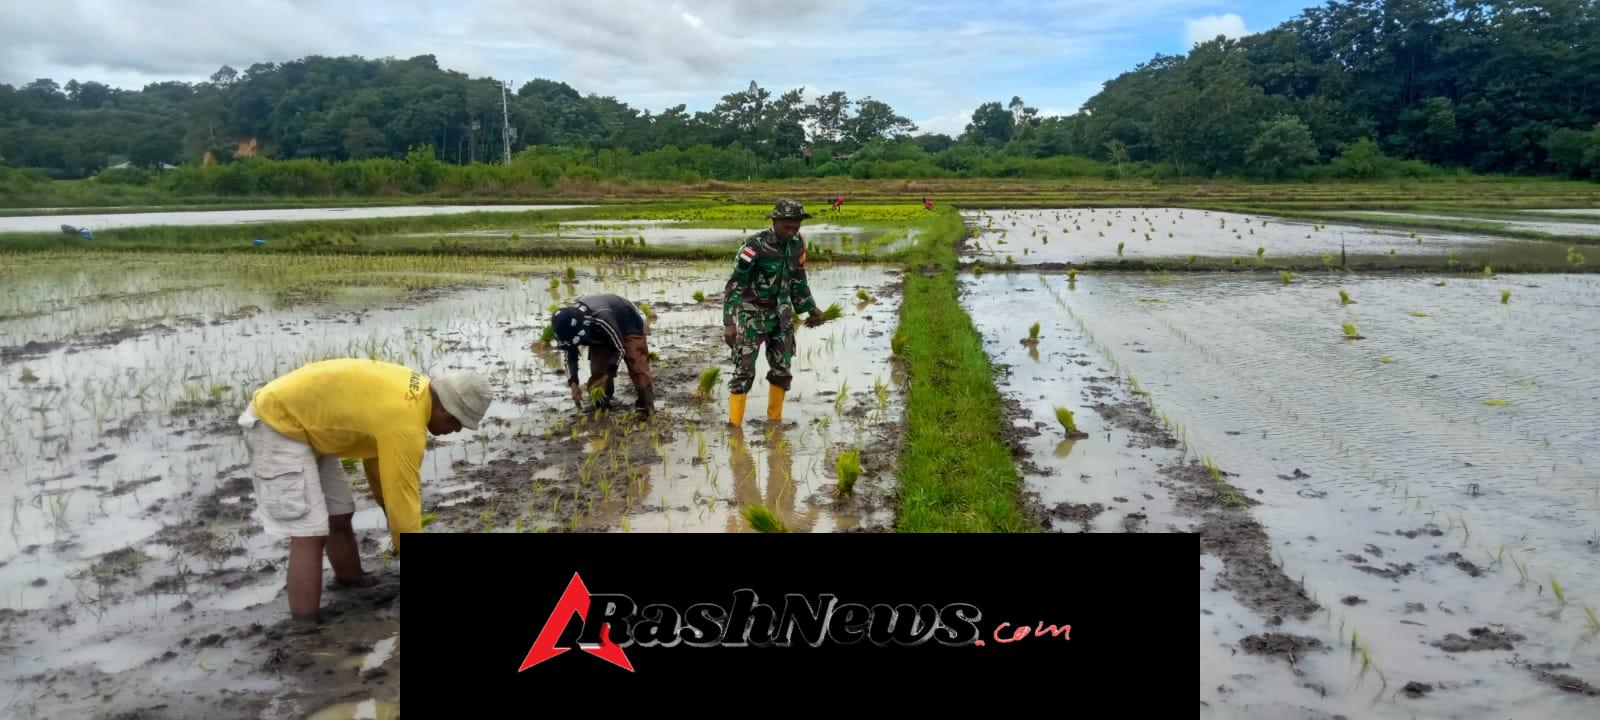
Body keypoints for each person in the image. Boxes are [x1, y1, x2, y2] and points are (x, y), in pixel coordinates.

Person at [238, 359, 491, 623]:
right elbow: (403, 502)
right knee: (308, 534)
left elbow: (380, 468)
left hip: (310, 426)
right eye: (458, 424)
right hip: (278, 424)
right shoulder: (406, 423)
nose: (456, 431)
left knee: (339, 513)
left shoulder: (414, 395)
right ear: (444, 410)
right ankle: (305, 628)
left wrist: (389, 512)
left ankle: (350, 581)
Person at [722, 198, 826, 425]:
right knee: (744, 370)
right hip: (752, 313)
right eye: (787, 226)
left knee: (782, 368)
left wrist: (810, 308)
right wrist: (729, 322)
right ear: (775, 221)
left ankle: (774, 423)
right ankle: (734, 427)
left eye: (795, 226)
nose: (791, 231)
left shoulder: (797, 243)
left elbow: (798, 278)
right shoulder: (754, 246)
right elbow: (735, 284)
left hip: (782, 314)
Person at [551, 293, 655, 417]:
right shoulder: (565, 325)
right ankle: (602, 405)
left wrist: (607, 376)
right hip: (599, 333)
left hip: (627, 324)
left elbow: (620, 349)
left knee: (637, 365)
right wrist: (573, 383)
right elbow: (570, 351)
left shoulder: (601, 317)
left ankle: (646, 406)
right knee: (598, 370)